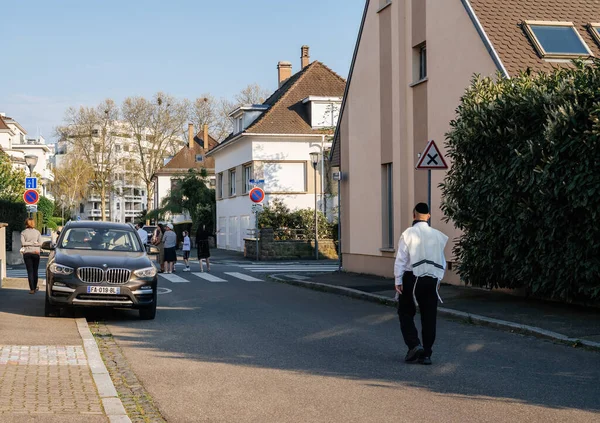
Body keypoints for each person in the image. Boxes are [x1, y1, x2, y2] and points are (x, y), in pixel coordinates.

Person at [394, 203, 448, 365]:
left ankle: (414, 345)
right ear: (429, 216)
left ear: (413, 215)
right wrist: (438, 279)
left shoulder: (408, 233)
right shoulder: (438, 235)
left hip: (412, 278)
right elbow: (442, 261)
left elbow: (401, 259)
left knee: (405, 313)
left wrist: (398, 280)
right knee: (429, 316)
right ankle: (427, 354)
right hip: (432, 278)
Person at [21, 218, 42, 294]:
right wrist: (34, 243)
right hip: (36, 252)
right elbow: (40, 243)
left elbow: (23, 243)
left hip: (27, 253)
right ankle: (35, 287)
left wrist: (28, 243)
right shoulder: (37, 232)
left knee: (30, 271)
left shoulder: (23, 232)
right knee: (35, 271)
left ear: (26, 223)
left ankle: (32, 289)